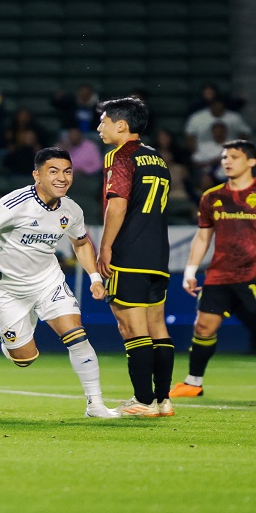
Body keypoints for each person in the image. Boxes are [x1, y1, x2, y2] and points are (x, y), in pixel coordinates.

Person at [0, 147, 118, 418]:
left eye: (67, 171)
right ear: (37, 175)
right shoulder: (13, 204)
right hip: (6, 288)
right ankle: (13, 340)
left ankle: (96, 404)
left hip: (47, 282)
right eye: (53, 171)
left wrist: (94, 277)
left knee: (76, 336)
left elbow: (81, 244)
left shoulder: (71, 209)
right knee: (25, 359)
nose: (62, 178)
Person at [169, 140, 256, 398]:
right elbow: (202, 238)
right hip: (219, 275)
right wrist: (190, 272)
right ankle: (193, 382)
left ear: (251, 161)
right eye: (224, 157)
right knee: (203, 328)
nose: (227, 161)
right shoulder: (212, 197)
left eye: (234, 156)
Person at [96, 96, 174, 417]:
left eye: (104, 121)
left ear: (121, 125)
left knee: (131, 326)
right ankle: (163, 399)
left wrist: (105, 245)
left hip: (130, 251)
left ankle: (143, 400)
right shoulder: (157, 158)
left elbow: (118, 204)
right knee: (158, 325)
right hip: (158, 253)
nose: (99, 127)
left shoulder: (120, 156)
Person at [184, 97, 251, 163]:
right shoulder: (197, 118)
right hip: (204, 153)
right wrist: (197, 152)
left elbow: (244, 133)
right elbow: (190, 136)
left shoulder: (234, 118)